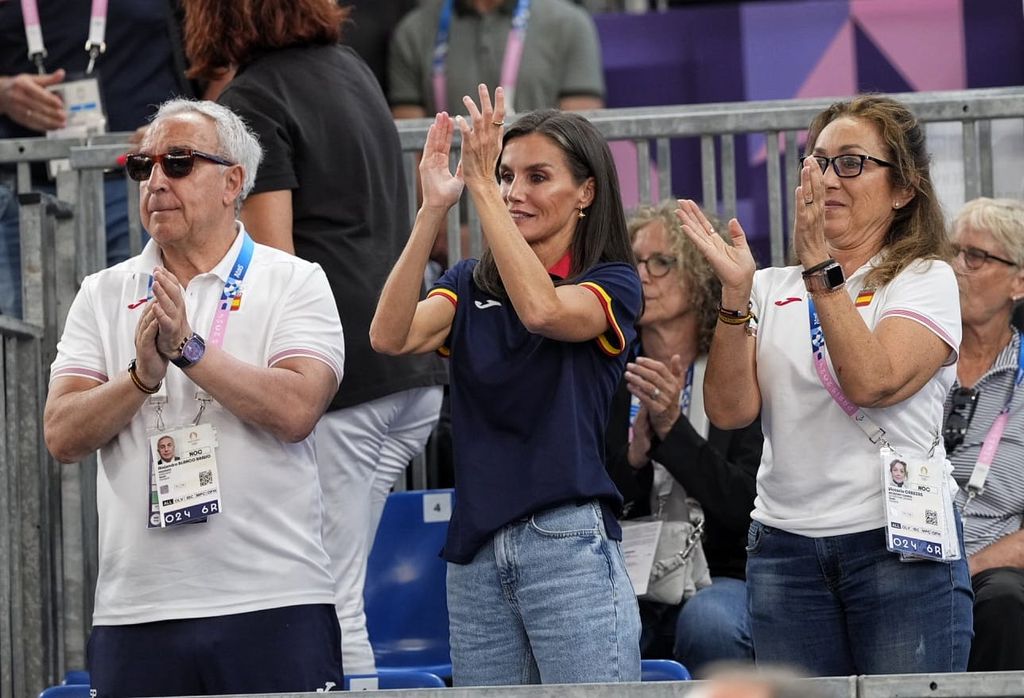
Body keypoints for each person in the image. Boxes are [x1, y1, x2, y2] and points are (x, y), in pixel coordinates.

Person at [43, 99, 345, 697]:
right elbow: (61, 434)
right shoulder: (102, 292)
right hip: (137, 610)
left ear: (234, 181)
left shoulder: (294, 280)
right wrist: (138, 378)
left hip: (274, 599)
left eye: (178, 163)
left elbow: (296, 410)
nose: (156, 181)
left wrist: (190, 350)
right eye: (143, 166)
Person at [181, 0, 448, 675]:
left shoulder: (253, 99)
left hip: (342, 378)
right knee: (335, 579)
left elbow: (276, 271)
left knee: (328, 595)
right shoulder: (352, 68)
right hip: (407, 372)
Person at [677, 94, 973, 676]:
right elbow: (730, 411)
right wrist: (736, 296)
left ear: (904, 189)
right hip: (784, 551)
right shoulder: (767, 285)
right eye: (817, 161)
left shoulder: (925, 277)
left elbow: (873, 380)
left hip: (897, 546)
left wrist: (820, 271)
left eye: (852, 162)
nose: (828, 178)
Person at [371, 85, 643, 685]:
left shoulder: (615, 282)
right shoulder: (470, 282)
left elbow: (543, 311)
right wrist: (431, 213)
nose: (517, 192)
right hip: (473, 556)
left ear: (586, 192)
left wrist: (484, 189)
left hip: (567, 544)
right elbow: (390, 336)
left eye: (538, 176)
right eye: (506, 174)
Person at [605, 201, 759, 674]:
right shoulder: (609, 372)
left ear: (699, 276)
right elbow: (595, 505)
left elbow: (746, 508)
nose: (642, 274)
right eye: (634, 261)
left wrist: (674, 429)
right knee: (595, 622)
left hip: (723, 572)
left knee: (709, 623)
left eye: (661, 262)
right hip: (628, 573)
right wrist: (632, 461)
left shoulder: (742, 371)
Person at [0, 0, 196, 318]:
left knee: (139, 321)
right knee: (26, 335)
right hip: (24, 194)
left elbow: (219, 59)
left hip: (142, 184)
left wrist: (185, 124)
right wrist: (3, 93)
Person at [946, 197, 1024, 671]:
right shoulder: (915, 356)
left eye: (975, 257)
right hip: (896, 555)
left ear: (1019, 281)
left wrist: (967, 567)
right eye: (952, 252)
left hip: (986, 571)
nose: (957, 267)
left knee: (1004, 601)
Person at [387, 0, 605, 119]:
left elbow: (581, 136)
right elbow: (412, 151)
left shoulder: (569, 24)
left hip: (538, 193)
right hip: (452, 193)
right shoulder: (414, 30)